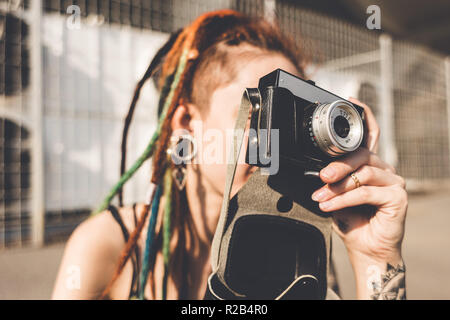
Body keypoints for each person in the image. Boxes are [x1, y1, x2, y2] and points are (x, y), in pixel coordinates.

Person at [52, 9, 407, 300]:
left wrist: (373, 258)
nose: (279, 143)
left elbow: (373, 262)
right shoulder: (110, 245)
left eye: (291, 122)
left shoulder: (299, 250)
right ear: (187, 123)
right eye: (262, 115)